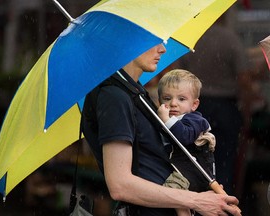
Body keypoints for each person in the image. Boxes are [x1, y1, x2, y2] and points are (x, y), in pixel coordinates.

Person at [82, 43, 241, 216]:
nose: (163, 49)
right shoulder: (115, 97)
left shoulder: (134, 91)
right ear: (132, 42)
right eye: (153, 42)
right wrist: (195, 200)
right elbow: (120, 185)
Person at [175, 13, 252, 195]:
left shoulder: (193, 39)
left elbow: (178, 74)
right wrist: (247, 109)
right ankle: (224, 201)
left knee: (196, 160)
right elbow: (244, 78)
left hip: (195, 107)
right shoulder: (230, 38)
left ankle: (200, 202)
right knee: (225, 160)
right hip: (226, 106)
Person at [157, 69, 216, 216]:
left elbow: (184, 137)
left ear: (194, 104)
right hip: (180, 171)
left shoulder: (196, 120)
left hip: (197, 172)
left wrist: (166, 120)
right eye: (167, 98)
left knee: (174, 190)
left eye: (181, 99)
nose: (173, 104)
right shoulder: (168, 120)